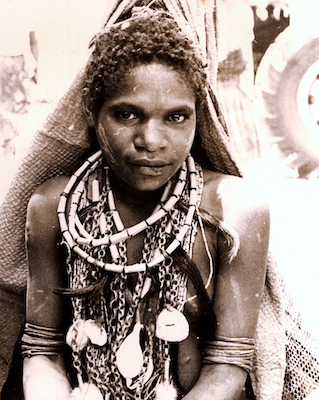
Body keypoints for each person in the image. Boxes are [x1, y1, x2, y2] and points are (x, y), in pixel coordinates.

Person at [21, 9, 270, 400]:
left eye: (175, 117)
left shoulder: (235, 211)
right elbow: (42, 351)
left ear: (197, 117)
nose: (151, 139)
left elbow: (228, 365)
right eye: (126, 114)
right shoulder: (53, 206)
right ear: (92, 111)